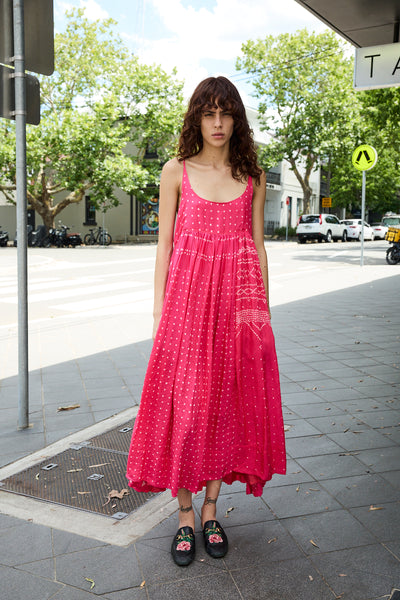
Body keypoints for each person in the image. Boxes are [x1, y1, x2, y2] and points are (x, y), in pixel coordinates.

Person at [126, 76, 286, 566]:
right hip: (187, 307)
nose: (218, 123)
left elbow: (256, 246)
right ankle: (184, 514)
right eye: (208, 113)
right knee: (187, 408)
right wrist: (159, 309)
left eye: (226, 113)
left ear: (237, 119)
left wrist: (262, 311)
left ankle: (212, 510)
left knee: (225, 407)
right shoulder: (176, 170)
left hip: (237, 309)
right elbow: (165, 246)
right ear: (196, 117)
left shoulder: (252, 175)